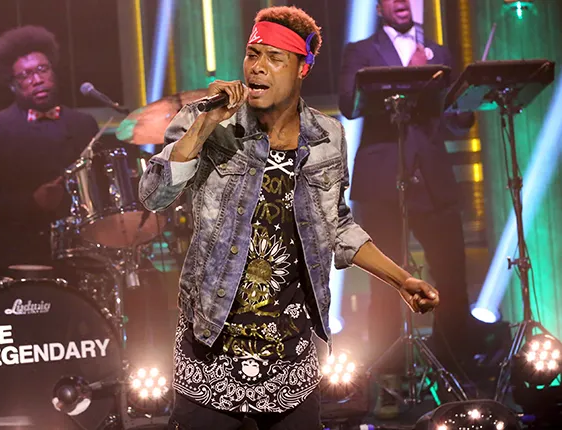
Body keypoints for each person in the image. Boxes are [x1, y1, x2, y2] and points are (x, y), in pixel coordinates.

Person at [138, 6, 440, 429]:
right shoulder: (203, 119)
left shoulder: (328, 136)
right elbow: (154, 196)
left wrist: (402, 280)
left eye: (274, 58)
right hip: (211, 348)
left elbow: (338, 225)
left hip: (289, 357)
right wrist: (205, 125)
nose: (257, 67)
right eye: (252, 54)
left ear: (302, 68)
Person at [338, 0, 475, 419]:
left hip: (433, 180)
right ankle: (387, 382)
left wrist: (464, 109)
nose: (402, 3)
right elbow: (349, 105)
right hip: (383, 180)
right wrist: (413, 76)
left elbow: (448, 115)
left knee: (453, 280)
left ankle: (453, 374)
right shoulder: (360, 51)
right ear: (379, 7)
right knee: (385, 284)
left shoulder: (439, 52)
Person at [0, 25, 100, 291]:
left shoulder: (83, 124)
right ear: (12, 84)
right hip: (16, 257)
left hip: (80, 255)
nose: (37, 79)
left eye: (42, 69)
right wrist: (31, 202)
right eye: (25, 75)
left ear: (53, 71)